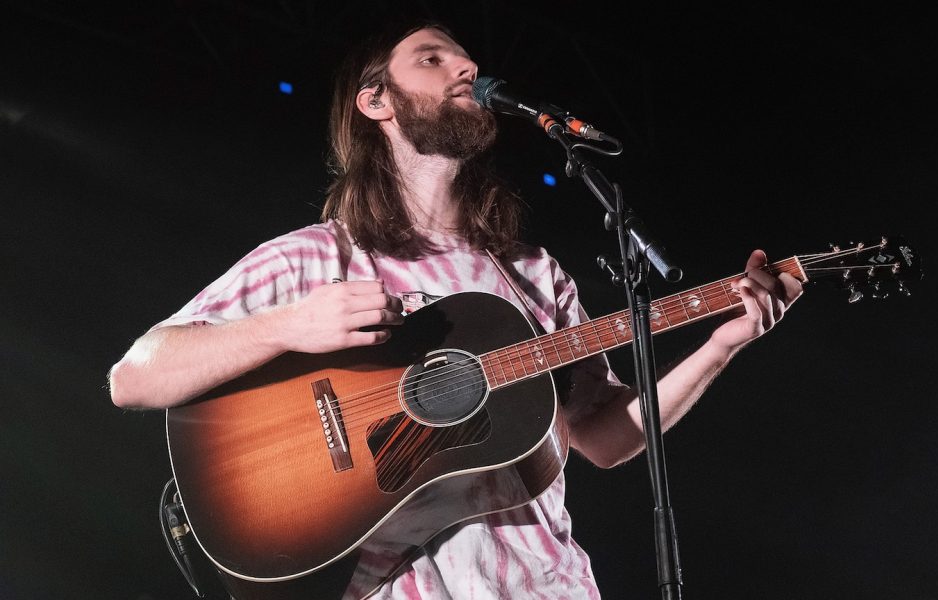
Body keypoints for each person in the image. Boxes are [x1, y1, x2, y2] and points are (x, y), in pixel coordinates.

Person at [109, 20, 803, 600]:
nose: (467, 65)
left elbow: (603, 437)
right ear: (375, 101)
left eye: (464, 56)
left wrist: (725, 342)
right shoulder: (314, 259)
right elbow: (135, 376)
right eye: (433, 58)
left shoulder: (532, 273)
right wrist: (289, 325)